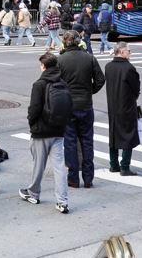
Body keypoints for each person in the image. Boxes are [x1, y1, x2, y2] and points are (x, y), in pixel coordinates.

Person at [19, 52, 72, 213]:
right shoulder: (62, 83)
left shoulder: (39, 84)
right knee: (59, 167)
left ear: (43, 66)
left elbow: (34, 109)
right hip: (59, 130)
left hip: (42, 131)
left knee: (38, 165)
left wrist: (32, 123)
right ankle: (62, 202)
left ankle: (33, 193)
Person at [58, 30, 105, 188]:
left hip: (68, 105)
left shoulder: (61, 60)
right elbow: (100, 79)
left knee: (70, 142)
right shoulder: (89, 58)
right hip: (85, 104)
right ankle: (88, 177)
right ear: (78, 41)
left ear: (65, 42)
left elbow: (55, 83)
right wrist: (89, 90)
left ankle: (73, 178)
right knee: (87, 140)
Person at [105, 42, 140, 176]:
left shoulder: (109, 66)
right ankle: (124, 166)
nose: (130, 53)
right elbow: (136, 87)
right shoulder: (129, 68)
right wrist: (134, 97)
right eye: (129, 51)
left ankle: (113, 165)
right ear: (121, 52)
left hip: (112, 105)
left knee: (113, 134)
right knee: (128, 135)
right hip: (126, 105)